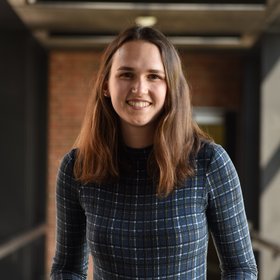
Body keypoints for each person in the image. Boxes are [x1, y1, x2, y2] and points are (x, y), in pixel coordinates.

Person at [50, 26, 258, 279]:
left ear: (171, 88)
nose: (139, 88)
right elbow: (67, 268)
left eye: (154, 76)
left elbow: (241, 268)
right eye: (126, 74)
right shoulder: (77, 168)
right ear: (106, 85)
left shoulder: (210, 162)